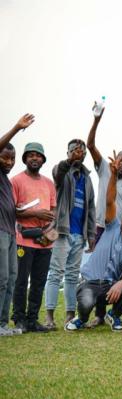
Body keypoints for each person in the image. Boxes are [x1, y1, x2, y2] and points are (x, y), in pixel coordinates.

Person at [66, 153, 122, 332]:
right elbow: (110, 202)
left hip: (111, 285)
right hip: (92, 282)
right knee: (86, 302)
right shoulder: (112, 226)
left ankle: (113, 315)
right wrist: (113, 176)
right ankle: (82, 318)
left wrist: (119, 284)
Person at [45, 136, 97, 330]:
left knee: (73, 276)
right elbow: (58, 173)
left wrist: (91, 235)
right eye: (74, 149)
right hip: (62, 232)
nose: (78, 152)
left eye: (81, 150)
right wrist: (68, 162)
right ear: (67, 153)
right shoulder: (62, 171)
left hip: (80, 235)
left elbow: (90, 208)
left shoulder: (88, 178)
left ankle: (69, 315)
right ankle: (49, 316)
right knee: (55, 274)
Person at [11, 142, 56, 333]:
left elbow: (53, 211)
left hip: (44, 242)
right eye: (30, 155)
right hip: (23, 238)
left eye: (38, 155)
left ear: (43, 159)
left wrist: (49, 232)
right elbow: (11, 210)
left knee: (39, 282)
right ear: (25, 159)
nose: (34, 158)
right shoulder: (16, 181)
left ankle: (32, 320)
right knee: (21, 281)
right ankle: (19, 319)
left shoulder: (48, 183)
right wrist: (35, 214)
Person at [0, 114, 33, 336]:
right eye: (5, 157)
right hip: (0, 233)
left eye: (12, 159)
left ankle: (2, 324)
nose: (9, 162)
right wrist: (16, 128)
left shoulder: (6, 180)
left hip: (11, 232)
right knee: (1, 278)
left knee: (11, 278)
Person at [86, 104, 122, 241]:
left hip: (120, 229)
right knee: (98, 261)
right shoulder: (105, 169)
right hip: (100, 226)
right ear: (116, 159)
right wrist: (96, 121)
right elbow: (90, 146)